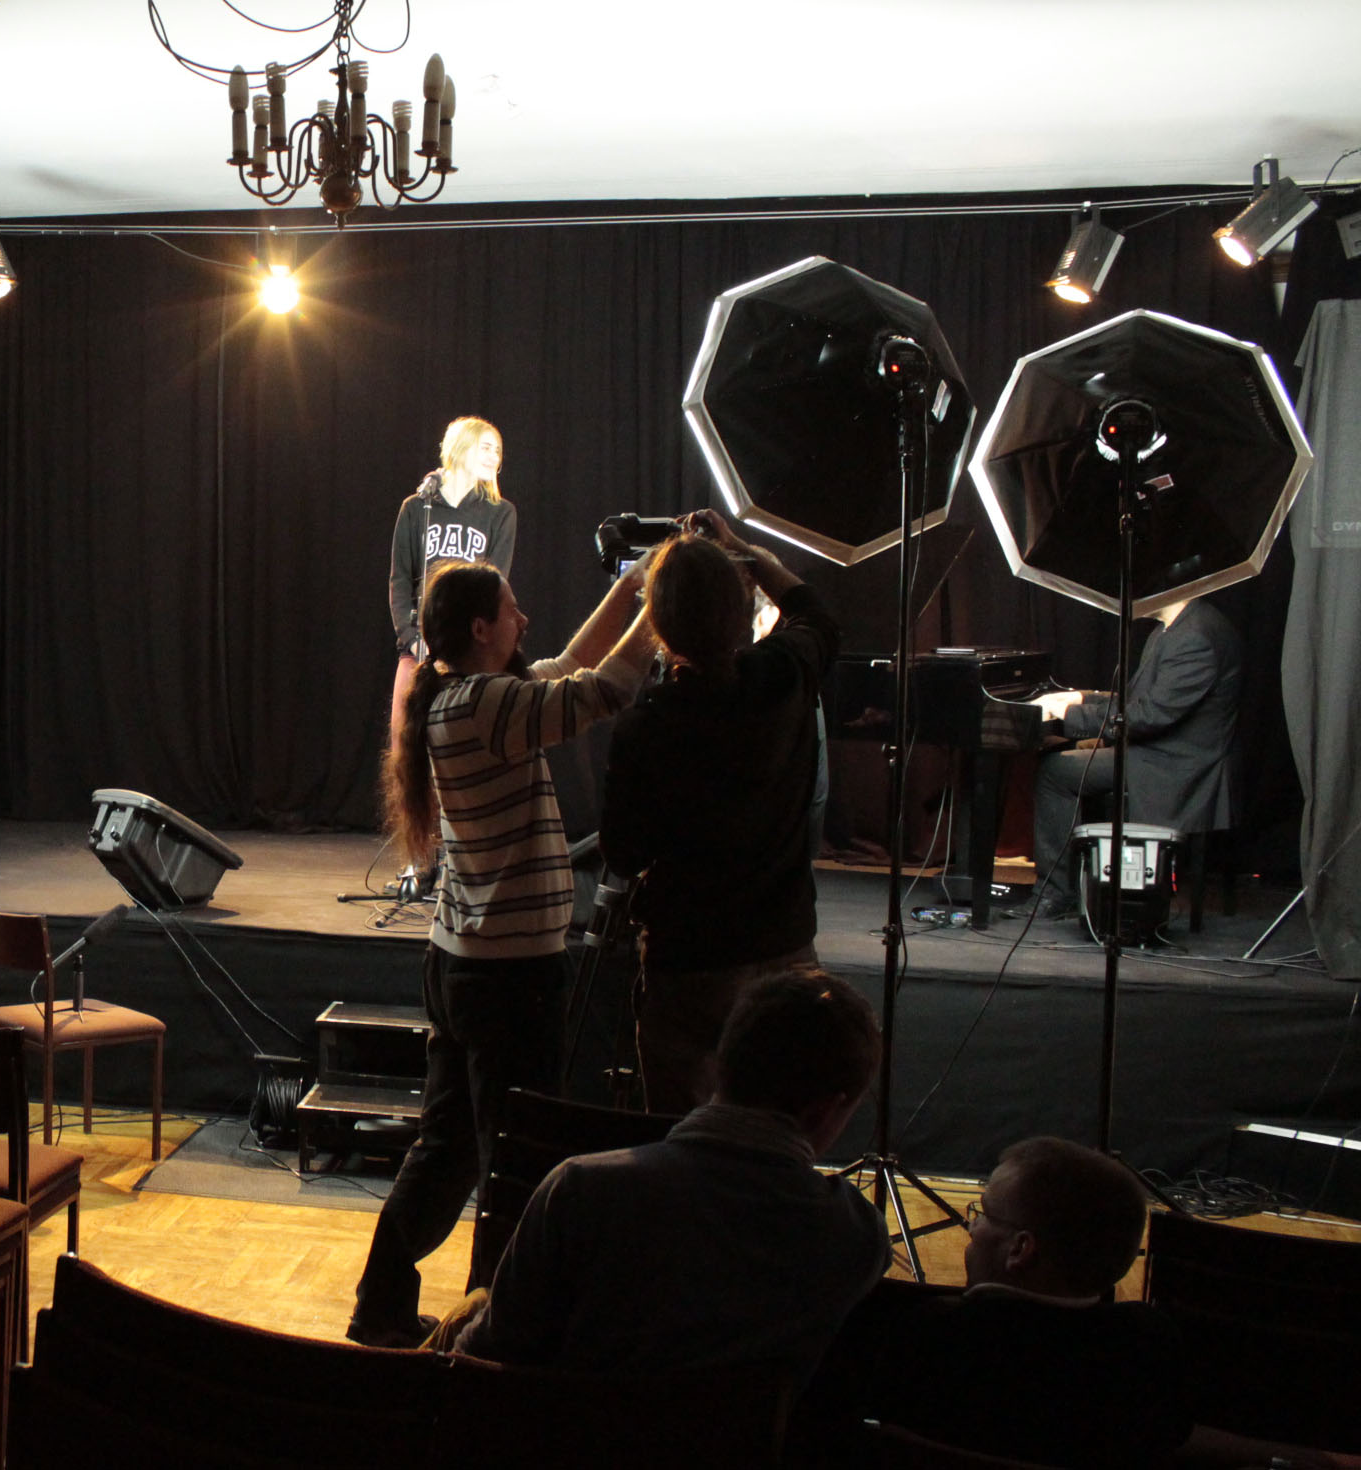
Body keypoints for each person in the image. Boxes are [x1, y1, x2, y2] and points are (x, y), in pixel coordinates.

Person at [346, 556, 657, 1349]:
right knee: (512, 1161)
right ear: (482, 628)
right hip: (508, 976)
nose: (524, 620)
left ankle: (383, 1308)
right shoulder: (488, 705)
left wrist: (630, 590)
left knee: (448, 1148)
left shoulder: (464, 697)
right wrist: (666, 604)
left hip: (465, 965)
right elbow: (602, 689)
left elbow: (568, 664)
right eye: (512, 610)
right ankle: (492, 1330)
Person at [455, 970, 889, 1382]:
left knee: (470, 1310)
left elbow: (478, 1365)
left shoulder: (578, 1190)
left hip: (565, 1430)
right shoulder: (857, 1236)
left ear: (719, 1065)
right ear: (826, 1112)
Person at [601, 511, 839, 1111]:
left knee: (679, 1138)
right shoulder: (783, 674)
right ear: (743, 609)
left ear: (659, 626)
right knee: (784, 1125)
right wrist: (744, 550)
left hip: (688, 965)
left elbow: (623, 855)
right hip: (785, 949)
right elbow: (814, 612)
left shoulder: (646, 725)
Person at [851, 1136, 1194, 1468]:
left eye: (984, 1213)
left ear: (1020, 1249)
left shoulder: (928, 1336)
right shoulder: (1150, 1347)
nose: (971, 1226)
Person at [1016, 596, 1242, 920]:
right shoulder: (1173, 628)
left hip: (1175, 766)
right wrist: (1081, 698)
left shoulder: (1195, 637)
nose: (1127, 598)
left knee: (1055, 772)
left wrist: (1069, 714)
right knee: (1061, 755)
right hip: (1161, 752)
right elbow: (1139, 700)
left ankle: (1056, 894)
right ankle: (1082, 884)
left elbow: (1150, 716)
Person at [387, 417, 521, 749]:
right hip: (419, 649)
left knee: (463, 747)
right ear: (460, 447)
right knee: (405, 749)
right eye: (486, 447)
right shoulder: (416, 508)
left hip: (470, 653)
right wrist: (413, 640)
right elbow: (400, 580)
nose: (494, 457)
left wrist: (462, 645)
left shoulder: (501, 513)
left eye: (498, 451)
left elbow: (495, 585)